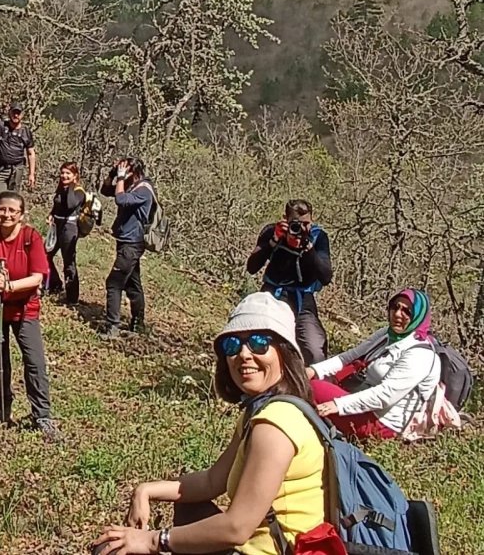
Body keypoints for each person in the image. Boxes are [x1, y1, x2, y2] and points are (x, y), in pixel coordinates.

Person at [94, 292, 324, 555]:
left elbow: (237, 527)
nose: (244, 354)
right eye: (233, 345)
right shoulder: (260, 412)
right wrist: (145, 490)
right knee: (189, 505)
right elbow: (212, 481)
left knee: (110, 550)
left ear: (285, 352)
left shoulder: (277, 424)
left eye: (260, 342)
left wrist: (153, 540)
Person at [0, 191, 59, 441]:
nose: (6, 215)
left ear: (21, 214)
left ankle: (42, 416)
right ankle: (2, 410)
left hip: (24, 310)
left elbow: (38, 277)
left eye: (12, 211)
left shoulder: (31, 237)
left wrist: (9, 286)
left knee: (34, 363)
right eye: (2, 209)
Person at [307, 288, 443, 440]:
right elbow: (349, 357)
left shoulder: (420, 354)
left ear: (418, 317)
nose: (398, 314)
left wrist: (337, 405)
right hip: (360, 399)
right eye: (395, 307)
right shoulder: (387, 334)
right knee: (306, 379)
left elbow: (386, 395)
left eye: (407, 311)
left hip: (382, 423)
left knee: (313, 388)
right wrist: (313, 370)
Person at [246, 199, 332, 364]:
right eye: (295, 224)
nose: (301, 228)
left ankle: (313, 385)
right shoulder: (272, 232)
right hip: (272, 294)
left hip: (303, 299)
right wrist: (274, 240)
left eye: (306, 223)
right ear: (285, 219)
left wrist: (308, 248)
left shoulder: (318, 237)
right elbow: (252, 267)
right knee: (260, 342)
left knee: (315, 350)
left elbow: (326, 276)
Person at [99, 157, 153, 339]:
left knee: (113, 283)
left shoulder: (144, 190)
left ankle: (112, 327)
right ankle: (138, 324)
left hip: (132, 243)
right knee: (132, 283)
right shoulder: (130, 185)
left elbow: (120, 200)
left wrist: (121, 178)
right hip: (125, 241)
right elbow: (106, 190)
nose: (122, 174)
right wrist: (113, 174)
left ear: (135, 173)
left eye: (126, 170)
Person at [45, 161, 85, 304]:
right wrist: (51, 214)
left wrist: (70, 187)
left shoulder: (79, 191)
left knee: (68, 262)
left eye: (68, 173)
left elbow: (70, 204)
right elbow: (58, 205)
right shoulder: (61, 188)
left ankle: (72, 298)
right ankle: (54, 284)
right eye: (62, 173)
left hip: (69, 227)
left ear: (75, 176)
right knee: (45, 255)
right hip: (57, 226)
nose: (64, 176)